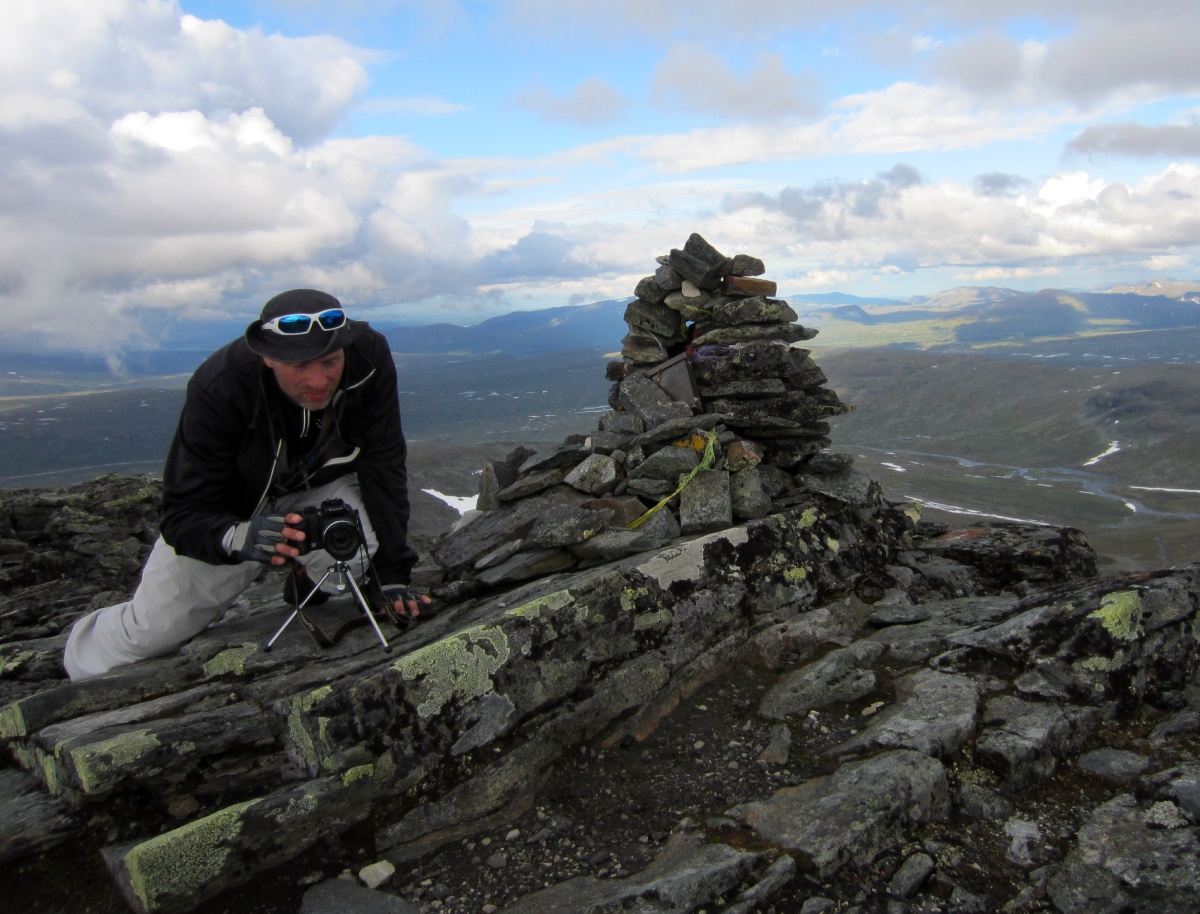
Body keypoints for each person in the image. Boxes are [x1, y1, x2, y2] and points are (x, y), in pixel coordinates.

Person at [64, 289, 429, 681]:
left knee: (359, 558)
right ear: (268, 356)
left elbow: (384, 461)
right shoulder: (220, 386)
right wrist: (241, 538)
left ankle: (305, 578)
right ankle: (78, 648)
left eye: (330, 361)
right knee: (150, 634)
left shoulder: (368, 354)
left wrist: (391, 578)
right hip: (232, 513)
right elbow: (182, 514)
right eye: (300, 365)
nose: (319, 380)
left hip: (317, 489)